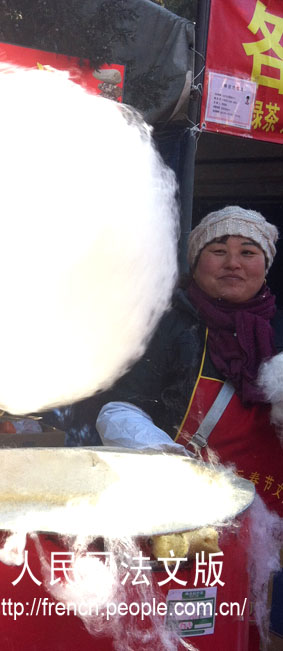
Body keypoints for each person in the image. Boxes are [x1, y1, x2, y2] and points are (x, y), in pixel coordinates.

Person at [96, 205, 283, 649]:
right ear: (196, 263)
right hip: (188, 529)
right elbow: (117, 410)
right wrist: (169, 461)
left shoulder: (278, 330)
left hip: (274, 528)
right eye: (218, 250)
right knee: (195, 636)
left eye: (248, 251)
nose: (233, 262)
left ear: (266, 263)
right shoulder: (169, 327)